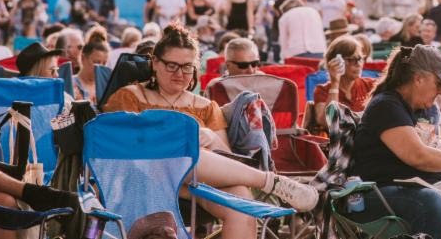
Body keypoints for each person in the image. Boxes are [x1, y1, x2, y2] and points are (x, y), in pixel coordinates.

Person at [104, 25, 318, 236]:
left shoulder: (206, 106)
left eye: (187, 67)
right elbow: (117, 147)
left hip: (194, 184)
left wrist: (212, 138)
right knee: (183, 147)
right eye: (172, 66)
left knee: (241, 199)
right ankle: (269, 181)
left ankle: (268, 182)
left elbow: (225, 157)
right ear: (155, 63)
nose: (179, 73)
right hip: (144, 180)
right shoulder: (130, 97)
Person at [350, 46, 441, 239]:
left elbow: (428, 139)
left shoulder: (427, 108)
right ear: (418, 78)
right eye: (439, 83)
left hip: (424, 187)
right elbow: (417, 155)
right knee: (432, 202)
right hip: (375, 191)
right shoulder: (386, 106)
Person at [314, 34, 376, 112]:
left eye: (360, 59)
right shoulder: (322, 91)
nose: (358, 64)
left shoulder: (371, 85)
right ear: (336, 62)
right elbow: (328, 119)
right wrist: (335, 83)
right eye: (352, 59)